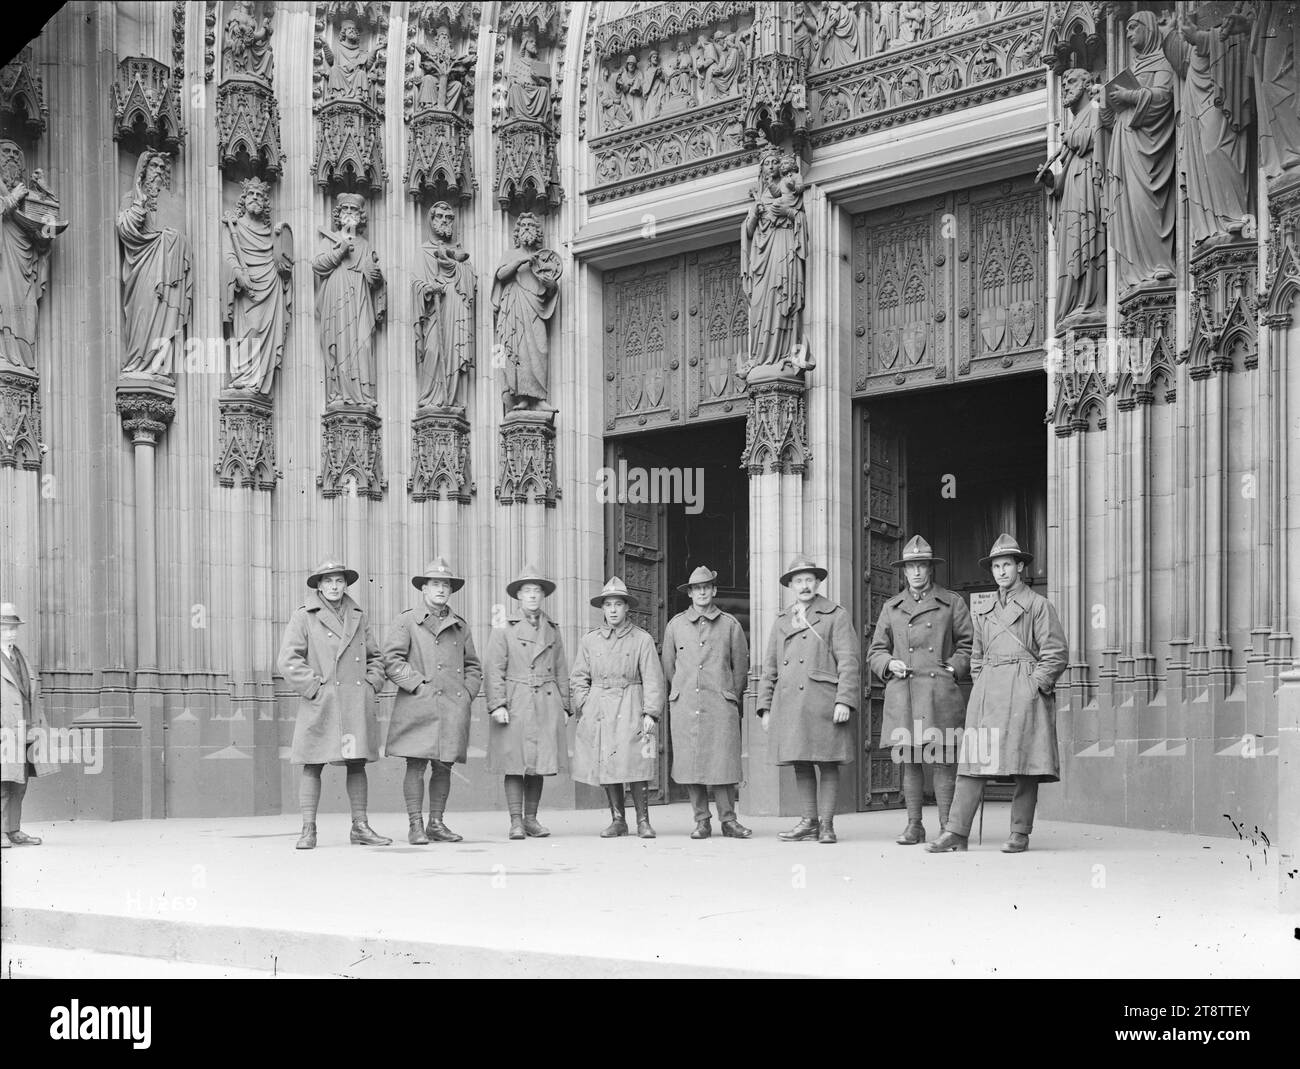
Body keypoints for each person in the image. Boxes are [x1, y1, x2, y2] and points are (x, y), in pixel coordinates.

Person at [927, 534, 1068, 854]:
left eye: (1007, 564)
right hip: (989, 691)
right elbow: (976, 656)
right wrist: (982, 683)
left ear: (1020, 567)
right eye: (996, 566)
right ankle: (956, 832)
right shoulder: (986, 611)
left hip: (1023, 688)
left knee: (1026, 763)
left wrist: (1032, 686)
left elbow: (1056, 653)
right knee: (974, 762)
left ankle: (1020, 832)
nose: (1002, 571)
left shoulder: (1038, 605)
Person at [277, 558, 391, 849]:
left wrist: (370, 685)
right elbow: (288, 661)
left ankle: (361, 827)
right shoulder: (304, 616)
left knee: (356, 763)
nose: (334, 586)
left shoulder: (358, 615)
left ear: (346, 584)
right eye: (328, 581)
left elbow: (376, 657)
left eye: (339, 581)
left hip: (354, 701)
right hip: (322, 702)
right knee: (313, 764)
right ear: (318, 585)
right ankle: (308, 829)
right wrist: (315, 688)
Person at [867, 536, 972, 846]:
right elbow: (875, 650)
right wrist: (889, 663)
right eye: (911, 566)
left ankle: (945, 826)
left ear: (930, 569)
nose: (916, 572)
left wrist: (952, 668)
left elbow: (969, 644)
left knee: (941, 760)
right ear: (904, 571)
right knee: (910, 760)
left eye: (921, 566)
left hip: (938, 692)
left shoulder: (951, 602)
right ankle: (914, 825)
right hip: (905, 693)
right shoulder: (891, 607)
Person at [756, 555, 860, 844]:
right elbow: (770, 666)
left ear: (818, 582)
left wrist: (844, 700)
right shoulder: (781, 620)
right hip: (789, 703)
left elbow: (848, 662)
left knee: (827, 762)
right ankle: (808, 822)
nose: (804, 585)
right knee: (800, 762)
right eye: (798, 580)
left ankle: (826, 825)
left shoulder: (835, 615)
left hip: (823, 701)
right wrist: (765, 707)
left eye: (809, 579)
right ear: (790, 585)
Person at [382, 558, 482, 844]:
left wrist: (466, 695)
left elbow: (474, 666)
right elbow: (391, 660)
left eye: (445, 585)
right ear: (424, 588)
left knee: (443, 765)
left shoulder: (460, 626)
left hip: (452, 705)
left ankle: (436, 823)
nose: (440, 589)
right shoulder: (407, 621)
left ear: (451, 590)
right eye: (435, 584)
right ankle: (416, 825)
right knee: (416, 765)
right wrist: (418, 686)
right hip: (418, 704)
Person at [570, 578, 666, 839]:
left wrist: (651, 712)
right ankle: (618, 820)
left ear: (627, 609)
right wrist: (585, 703)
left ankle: (643, 821)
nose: (613, 610)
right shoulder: (590, 641)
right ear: (603, 609)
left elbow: (653, 679)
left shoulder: (642, 640)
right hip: (600, 708)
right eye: (608, 605)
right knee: (607, 763)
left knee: (636, 762)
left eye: (618, 604)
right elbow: (578, 676)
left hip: (631, 703)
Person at [662, 566, 752, 839]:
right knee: (691, 764)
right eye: (696, 588)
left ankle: (729, 821)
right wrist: (684, 689)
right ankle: (701, 820)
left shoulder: (730, 625)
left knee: (722, 762)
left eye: (706, 587)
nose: (701, 592)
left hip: (720, 704)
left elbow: (740, 669)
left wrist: (728, 695)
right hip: (686, 703)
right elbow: (669, 666)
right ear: (690, 593)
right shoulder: (675, 625)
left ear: (714, 591)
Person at [484, 564, 570, 839]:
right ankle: (515, 821)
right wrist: (497, 704)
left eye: (537, 591)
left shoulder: (552, 629)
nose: (532, 596)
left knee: (539, 762)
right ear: (518, 596)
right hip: (516, 699)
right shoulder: (504, 627)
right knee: (514, 761)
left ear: (542, 596)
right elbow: (493, 667)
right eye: (527, 591)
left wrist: (566, 705)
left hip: (546, 700)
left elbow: (561, 669)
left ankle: (531, 819)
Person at [1, 603, 56, 847]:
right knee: (3, 781)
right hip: (4, 731)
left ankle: (13, 829)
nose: (10, 633)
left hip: (26, 729)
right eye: (5, 628)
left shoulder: (20, 656)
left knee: (20, 781)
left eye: (13, 628)